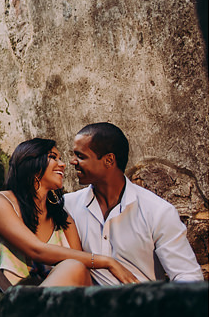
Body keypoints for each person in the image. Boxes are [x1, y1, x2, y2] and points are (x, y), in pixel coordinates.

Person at [0, 138, 136, 286]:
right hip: (7, 299)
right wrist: (108, 262)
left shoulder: (62, 219)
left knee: (77, 268)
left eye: (60, 159)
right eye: (53, 157)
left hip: (54, 299)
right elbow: (36, 250)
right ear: (31, 162)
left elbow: (82, 270)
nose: (62, 164)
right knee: (74, 266)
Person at [65, 122, 203, 284]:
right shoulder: (68, 206)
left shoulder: (157, 211)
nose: (72, 161)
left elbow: (188, 276)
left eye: (81, 156)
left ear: (109, 160)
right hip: (87, 299)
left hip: (142, 298)